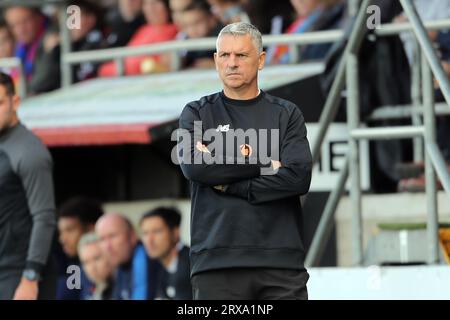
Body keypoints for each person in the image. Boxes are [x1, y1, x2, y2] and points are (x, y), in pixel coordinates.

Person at [178, 22, 312, 300]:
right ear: (216, 61)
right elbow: (196, 167)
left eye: (241, 55)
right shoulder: (196, 113)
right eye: (224, 55)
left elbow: (298, 178)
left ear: (261, 60)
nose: (232, 63)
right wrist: (263, 160)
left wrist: (230, 182)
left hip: (281, 262)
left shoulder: (286, 114)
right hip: (216, 262)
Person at [0, 72, 56, 299]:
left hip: (19, 273)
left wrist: (30, 278)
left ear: (15, 102)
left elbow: (44, 216)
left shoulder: (29, 151)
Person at [98, 0, 178, 76]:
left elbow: (135, 66)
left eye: (155, 3)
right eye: (146, 4)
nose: (150, 8)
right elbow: (127, 59)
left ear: (167, 6)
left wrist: (105, 69)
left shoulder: (173, 31)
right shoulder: (143, 30)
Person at [95, 213, 163, 300]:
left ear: (132, 236)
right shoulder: (121, 262)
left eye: (112, 236)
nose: (108, 246)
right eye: (102, 239)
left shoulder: (144, 259)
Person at [4, 6, 60, 95]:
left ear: (39, 18)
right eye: (14, 25)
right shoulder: (17, 46)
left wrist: (49, 54)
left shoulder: (52, 37)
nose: (21, 30)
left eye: (25, 21)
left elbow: (42, 81)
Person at [56, 196, 104, 300]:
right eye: (61, 232)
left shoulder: (110, 267)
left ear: (91, 229)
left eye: (69, 230)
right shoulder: (69, 264)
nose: (62, 239)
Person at [140, 207, 192, 300]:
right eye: (145, 233)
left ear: (175, 233)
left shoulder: (190, 264)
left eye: (157, 231)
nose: (149, 240)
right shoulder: (159, 266)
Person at [179, 0, 223, 69]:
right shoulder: (186, 42)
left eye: (197, 23)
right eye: (187, 26)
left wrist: (215, 65)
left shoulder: (223, 37)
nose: (192, 30)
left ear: (212, 20)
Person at [78, 232, 115, 300]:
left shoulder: (125, 284)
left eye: (97, 258)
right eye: (86, 262)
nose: (92, 268)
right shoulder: (88, 292)